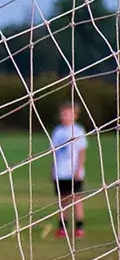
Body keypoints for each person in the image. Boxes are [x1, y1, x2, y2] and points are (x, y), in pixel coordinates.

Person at [51, 102, 89, 240]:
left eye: (67, 114)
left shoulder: (78, 130)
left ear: (75, 116)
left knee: (76, 198)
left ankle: (79, 227)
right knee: (62, 200)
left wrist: (79, 169)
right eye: (62, 114)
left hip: (73, 171)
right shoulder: (57, 131)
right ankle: (62, 227)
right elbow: (54, 152)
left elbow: (82, 152)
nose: (64, 116)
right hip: (60, 172)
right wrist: (53, 169)